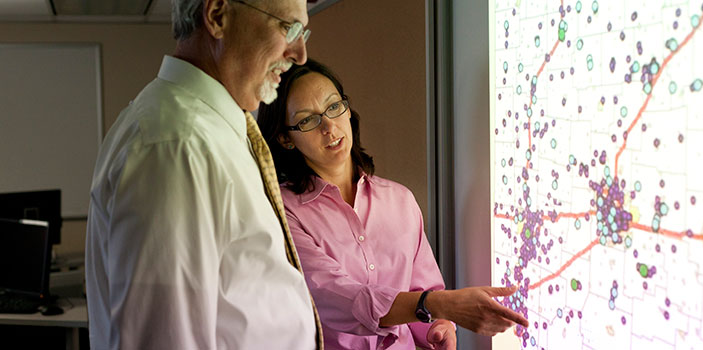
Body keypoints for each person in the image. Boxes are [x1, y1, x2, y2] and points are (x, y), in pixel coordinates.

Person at [85, 0, 323, 348]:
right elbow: (165, 340)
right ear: (217, 16)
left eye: (303, 31)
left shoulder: (211, 129)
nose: (300, 53)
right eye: (287, 28)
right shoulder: (178, 145)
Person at [257, 59, 529, 350]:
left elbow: (424, 294)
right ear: (286, 138)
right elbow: (338, 297)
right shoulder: (282, 211)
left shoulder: (400, 200)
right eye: (308, 120)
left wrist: (439, 327)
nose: (329, 126)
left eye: (334, 106)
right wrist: (438, 304)